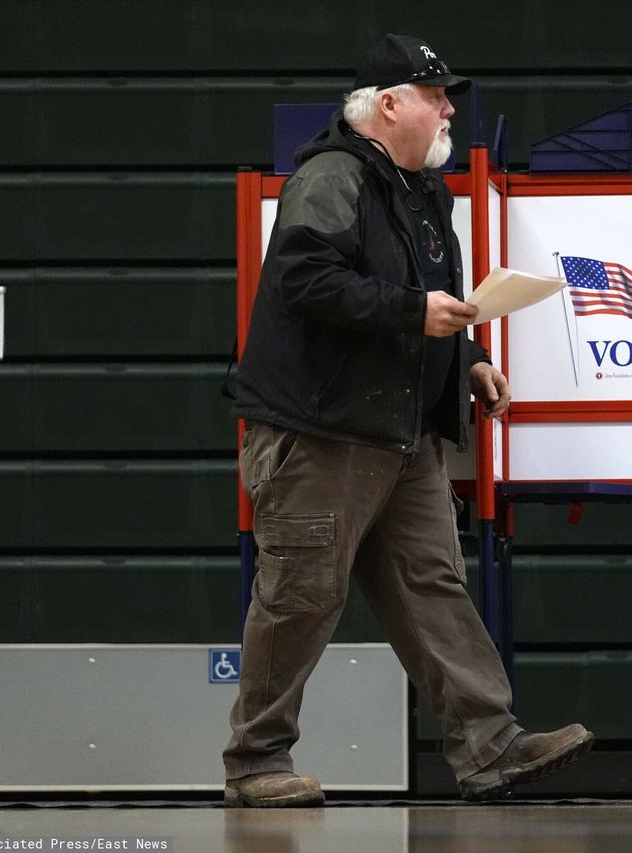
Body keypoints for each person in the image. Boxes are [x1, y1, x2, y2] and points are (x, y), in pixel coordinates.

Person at [223, 33, 592, 807]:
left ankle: (491, 747)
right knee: (299, 598)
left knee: (435, 589)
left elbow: (430, 303)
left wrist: (472, 360)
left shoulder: (424, 189)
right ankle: (256, 761)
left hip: (402, 435)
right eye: (434, 94)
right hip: (318, 435)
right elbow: (304, 280)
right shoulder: (331, 177)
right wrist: (413, 313)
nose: (448, 108)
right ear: (388, 105)